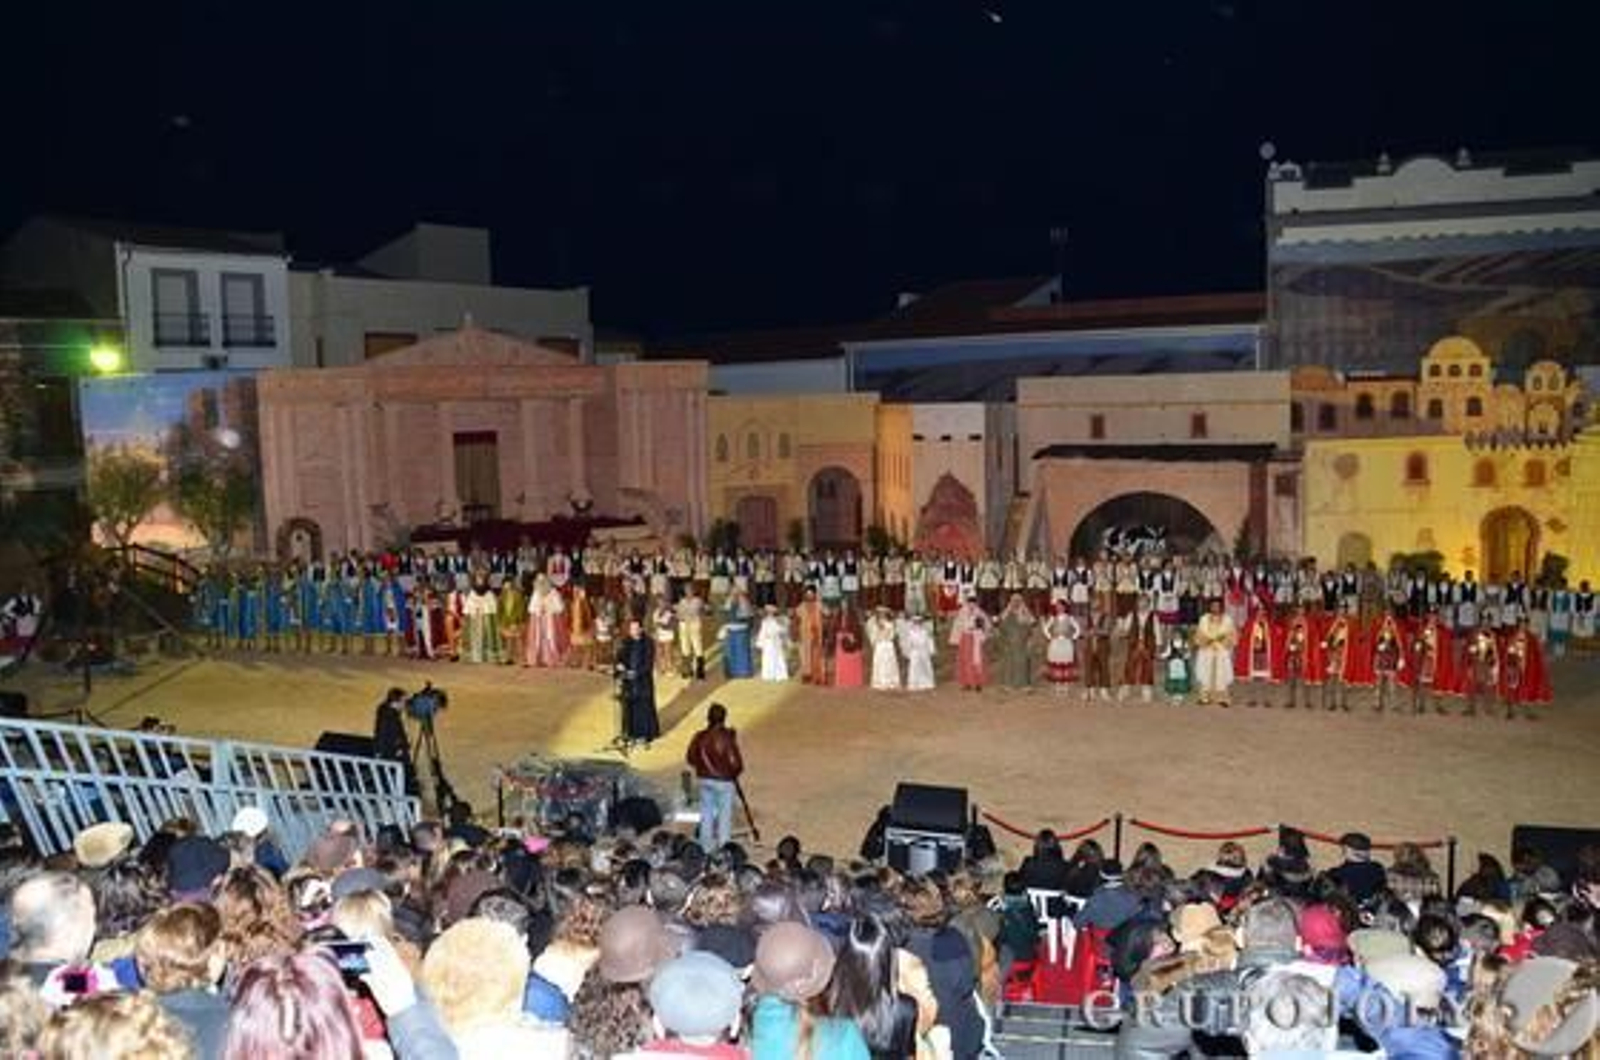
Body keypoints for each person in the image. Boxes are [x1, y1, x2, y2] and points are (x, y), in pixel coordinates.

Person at [686, 704, 745, 852]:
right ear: (724, 719)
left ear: (708, 718)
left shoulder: (699, 736)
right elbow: (736, 764)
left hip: (705, 779)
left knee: (706, 813)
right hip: (724, 781)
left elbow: (691, 758)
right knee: (724, 816)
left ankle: (705, 846)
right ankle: (724, 846)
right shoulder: (726, 738)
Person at [616, 617, 660, 746]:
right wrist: (619, 665)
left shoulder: (648, 642)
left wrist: (636, 673)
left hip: (642, 681)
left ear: (641, 628)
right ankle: (630, 733)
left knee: (643, 708)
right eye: (631, 628)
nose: (633, 631)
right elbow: (620, 658)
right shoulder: (625, 642)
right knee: (629, 708)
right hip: (628, 682)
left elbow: (648, 664)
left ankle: (645, 734)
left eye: (635, 628)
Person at [1192, 598, 1238, 707]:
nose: (1215, 608)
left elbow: (1232, 635)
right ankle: (1204, 697)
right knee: (1205, 672)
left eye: (1217, 606)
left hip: (1221, 650)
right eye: (1213, 606)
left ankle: (1223, 698)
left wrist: (1220, 642)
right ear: (1210, 607)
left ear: (1221, 607)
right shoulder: (1203, 619)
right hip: (1207, 650)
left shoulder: (1228, 620)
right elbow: (1199, 634)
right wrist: (1208, 641)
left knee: (1222, 674)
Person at [949, 596, 989, 692]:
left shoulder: (980, 613)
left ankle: (978, 683)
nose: (972, 605)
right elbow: (957, 626)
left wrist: (980, 630)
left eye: (973, 604)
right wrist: (955, 639)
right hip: (965, 639)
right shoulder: (962, 612)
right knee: (966, 661)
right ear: (967, 603)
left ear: (976, 604)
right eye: (970, 603)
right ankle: (967, 683)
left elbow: (986, 624)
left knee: (977, 661)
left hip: (976, 638)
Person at [866, 607, 901, 691]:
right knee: (880, 662)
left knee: (889, 662)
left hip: (888, 645)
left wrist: (887, 632)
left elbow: (892, 635)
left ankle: (891, 681)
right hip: (880, 644)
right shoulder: (875, 624)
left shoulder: (890, 624)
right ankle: (880, 681)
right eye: (880, 614)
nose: (882, 615)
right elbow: (872, 634)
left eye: (883, 614)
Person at [899, 614, 936, 692]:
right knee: (914, 667)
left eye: (919, 622)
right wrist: (908, 652)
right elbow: (908, 643)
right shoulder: (910, 632)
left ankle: (926, 682)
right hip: (915, 652)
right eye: (915, 622)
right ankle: (914, 683)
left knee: (925, 667)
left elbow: (929, 641)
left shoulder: (925, 631)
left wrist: (931, 651)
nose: (917, 624)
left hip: (924, 651)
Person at [755, 605, 790, 682]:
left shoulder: (777, 620)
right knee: (768, 657)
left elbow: (782, 630)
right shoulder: (764, 621)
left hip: (775, 642)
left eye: (771, 612)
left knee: (777, 657)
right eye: (768, 612)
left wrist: (781, 628)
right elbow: (762, 632)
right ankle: (768, 675)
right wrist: (760, 642)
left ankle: (778, 674)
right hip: (768, 642)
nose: (769, 613)